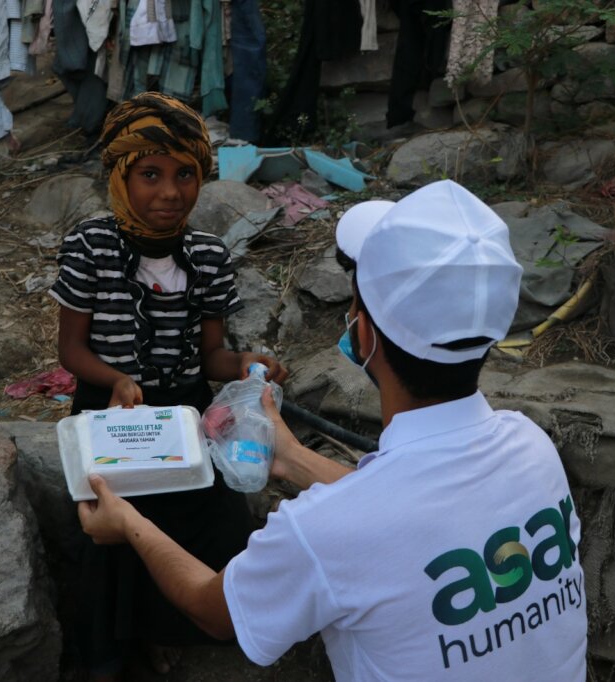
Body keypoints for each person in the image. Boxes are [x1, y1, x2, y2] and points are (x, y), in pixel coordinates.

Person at [77, 179, 587, 680]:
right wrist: (292, 457)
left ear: (362, 334)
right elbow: (410, 515)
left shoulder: (321, 530)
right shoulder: (532, 447)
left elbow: (213, 610)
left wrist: (129, 523)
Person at [48, 91, 286, 680]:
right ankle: (116, 650)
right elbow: (70, 350)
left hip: (186, 415)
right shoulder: (90, 246)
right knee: (114, 527)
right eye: (150, 175)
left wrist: (247, 363)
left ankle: (187, 625)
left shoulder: (207, 255)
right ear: (120, 177)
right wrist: (118, 379)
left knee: (212, 515)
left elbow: (210, 357)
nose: (170, 192)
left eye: (185, 175)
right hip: (109, 411)